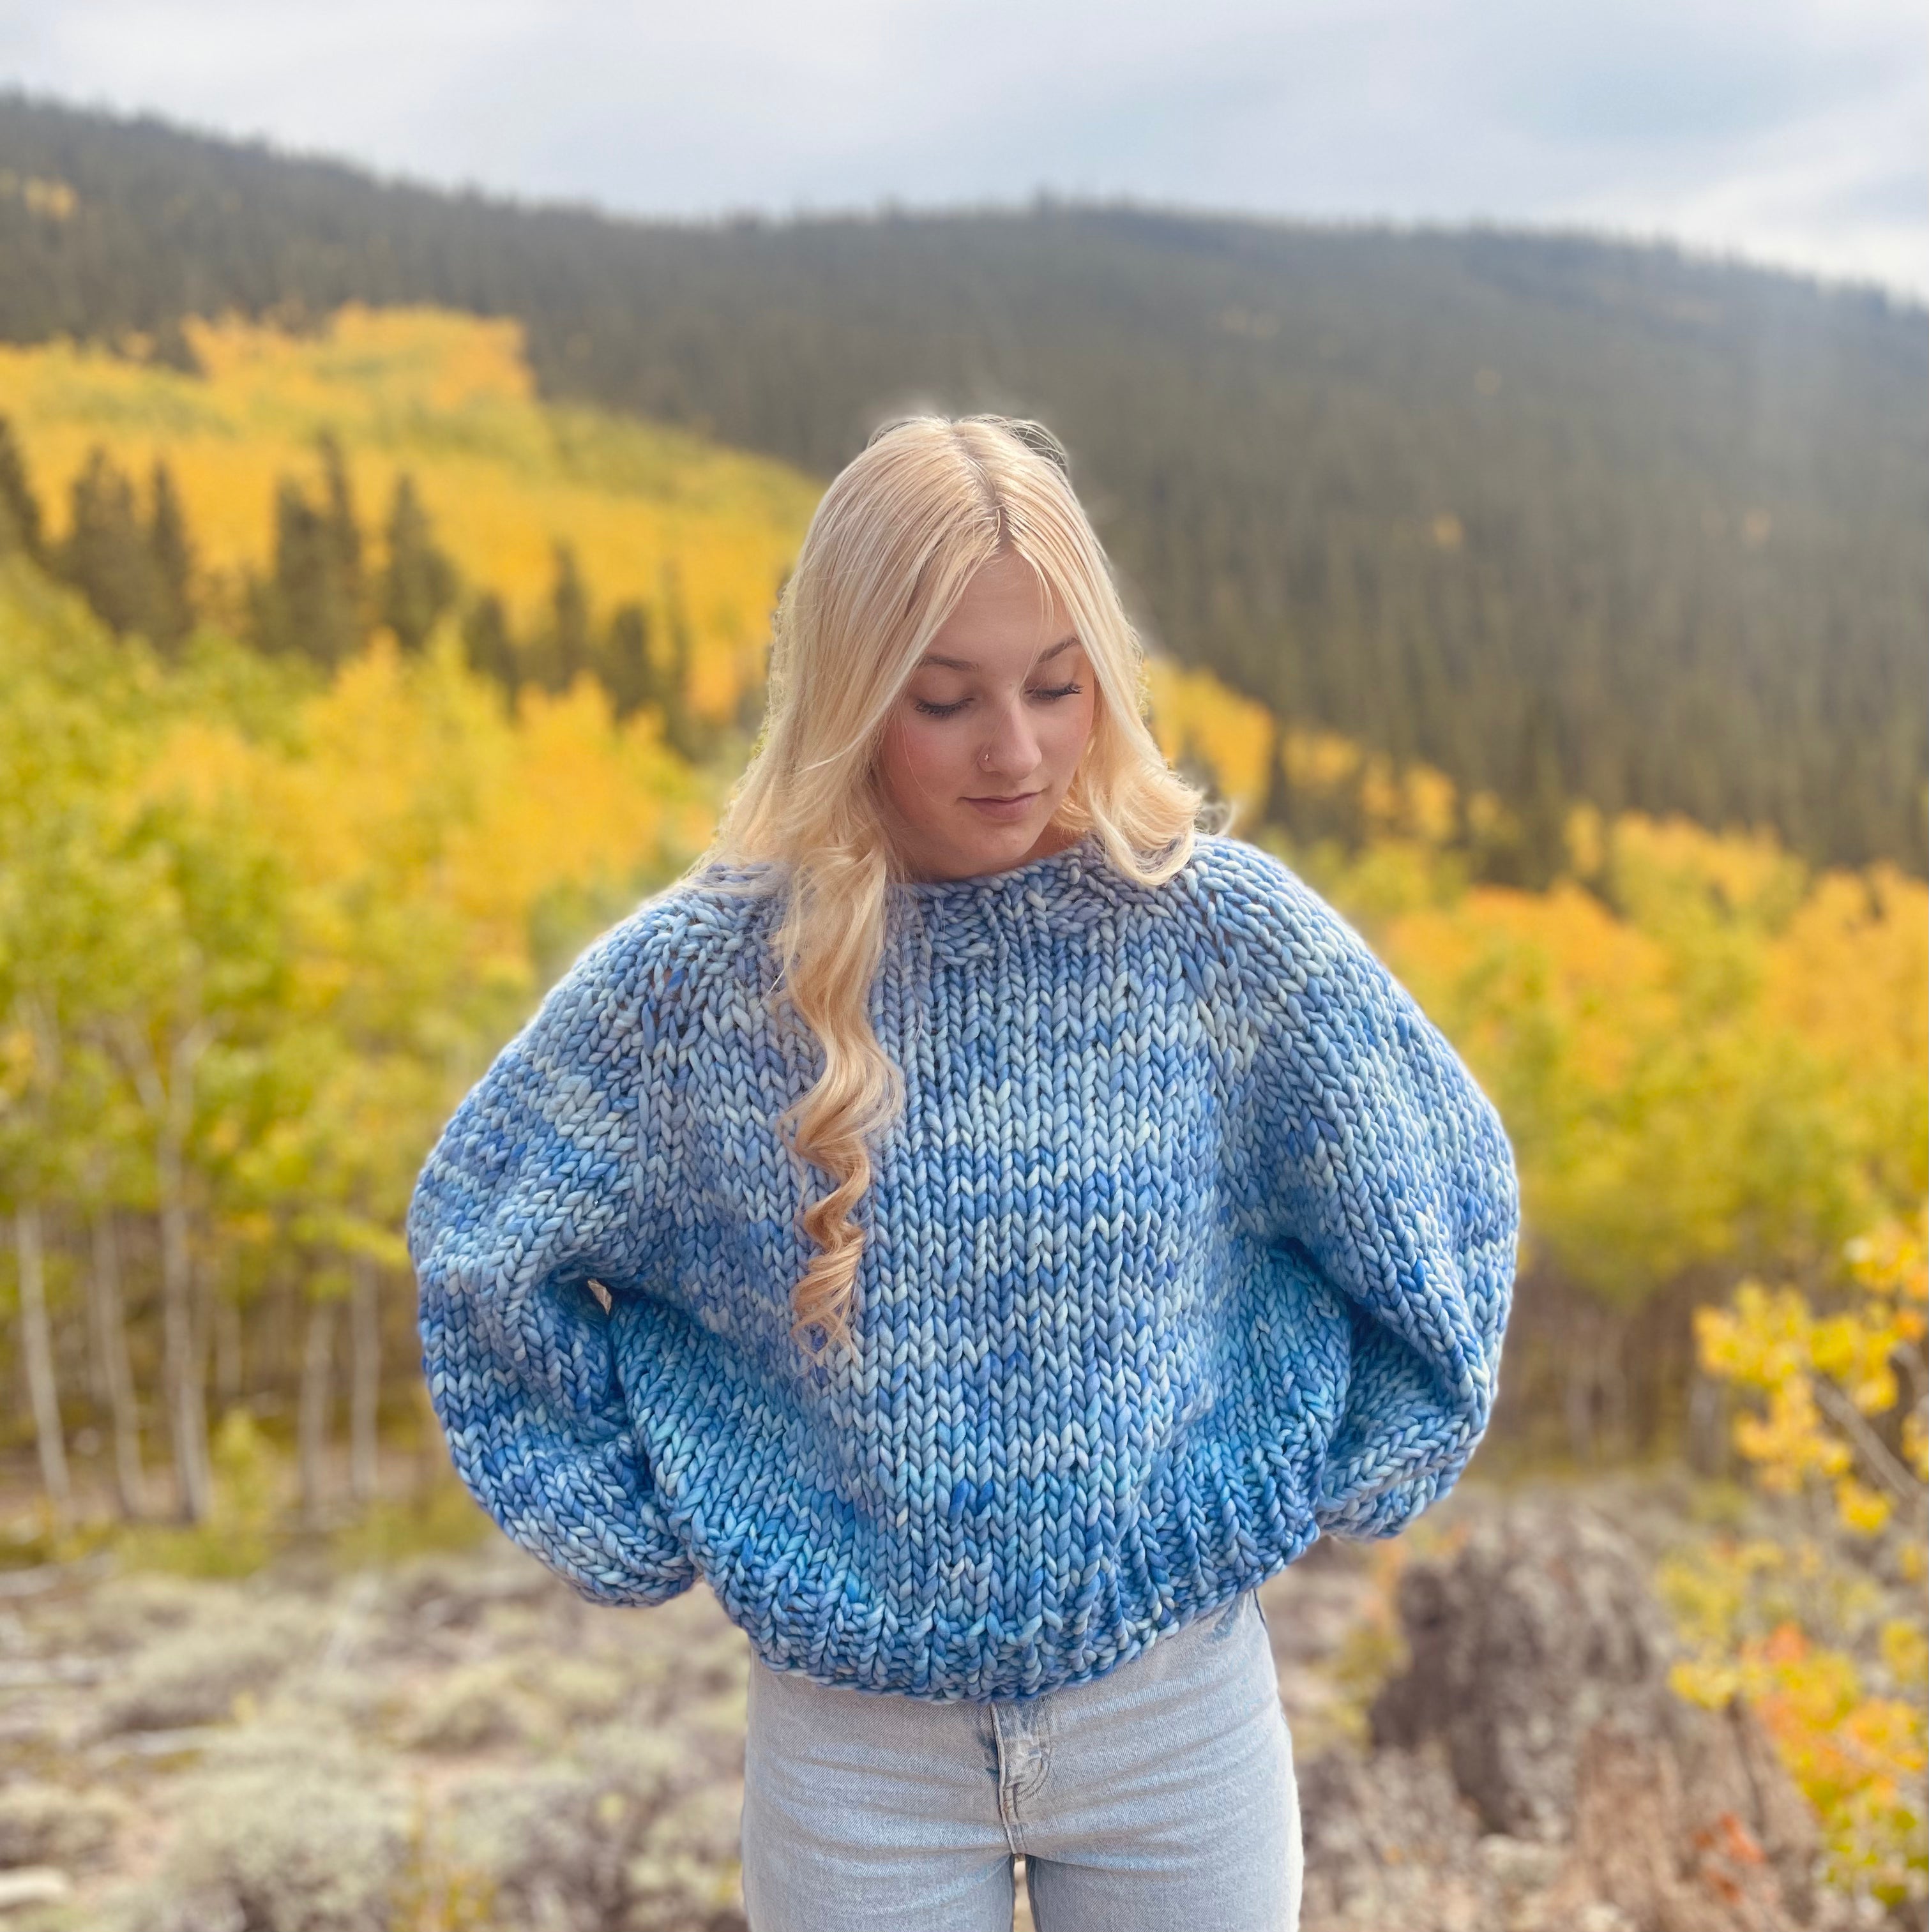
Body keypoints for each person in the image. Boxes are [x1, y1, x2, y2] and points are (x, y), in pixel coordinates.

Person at [408, 412, 1520, 1931]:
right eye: (945, 700)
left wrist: (1368, 1452)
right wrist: (620, 1513)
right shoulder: (699, 983)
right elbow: (485, 1233)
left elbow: (1434, 1173)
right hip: (851, 1749)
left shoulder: (1215, 935)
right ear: (852, 695)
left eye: (1057, 685)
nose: (1015, 749)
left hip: (1171, 1713)